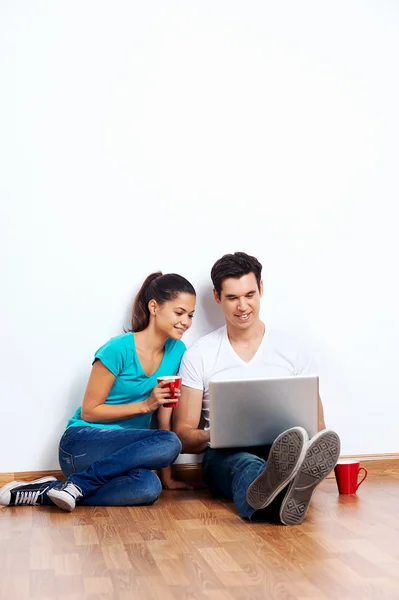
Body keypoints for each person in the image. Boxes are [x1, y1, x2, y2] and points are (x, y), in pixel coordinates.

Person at [0, 272, 196, 511]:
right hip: (82, 445)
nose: (186, 321)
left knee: (148, 487)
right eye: (179, 313)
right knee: (170, 441)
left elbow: (164, 418)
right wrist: (146, 405)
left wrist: (167, 478)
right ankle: (79, 483)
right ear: (154, 307)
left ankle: (55, 490)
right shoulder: (117, 349)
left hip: (120, 459)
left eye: (191, 315)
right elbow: (90, 412)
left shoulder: (177, 350)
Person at [173, 252, 340, 525]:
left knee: (282, 459)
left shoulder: (293, 350)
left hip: (284, 447)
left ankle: (278, 494)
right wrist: (212, 434)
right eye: (232, 298)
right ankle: (289, 488)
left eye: (250, 295)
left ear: (261, 289)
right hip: (224, 455)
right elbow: (183, 436)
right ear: (217, 297)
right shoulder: (199, 354)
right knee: (245, 466)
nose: (243, 306)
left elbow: (318, 426)